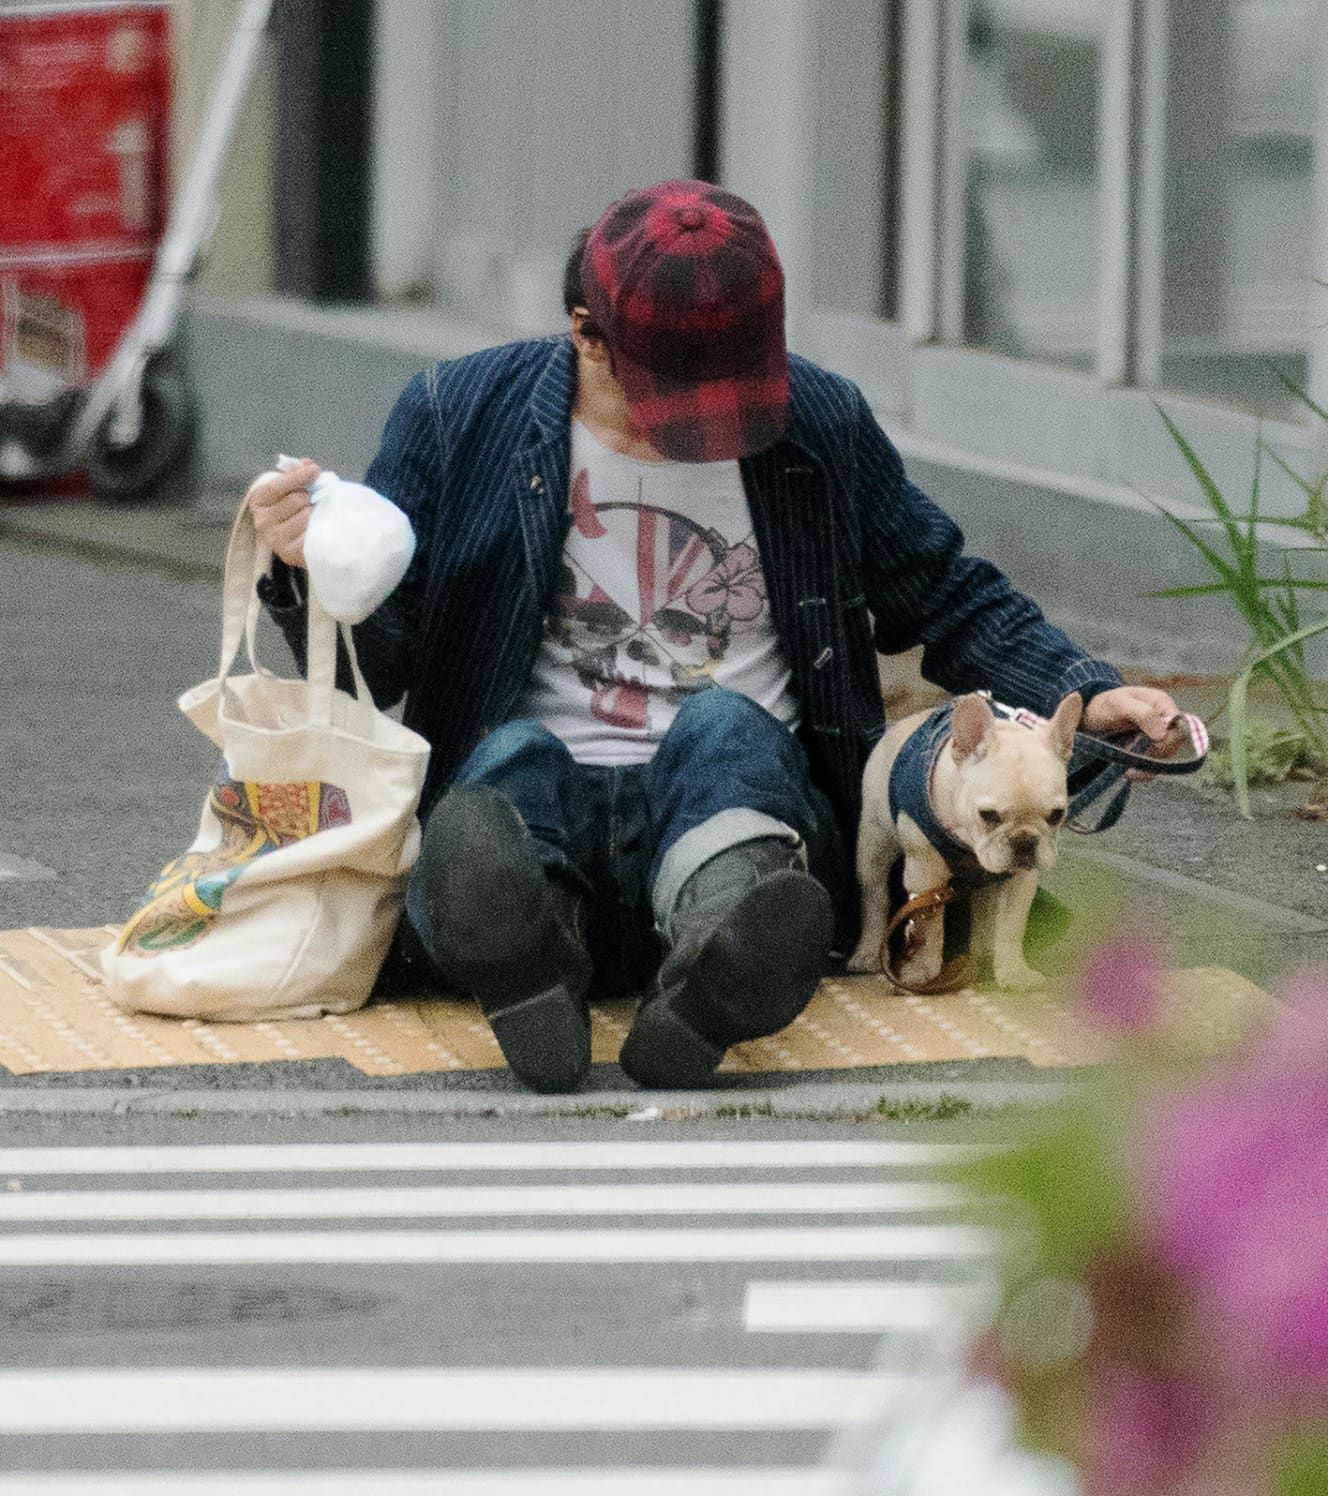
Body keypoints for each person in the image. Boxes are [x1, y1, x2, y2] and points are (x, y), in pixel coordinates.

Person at [247, 178, 1179, 1094]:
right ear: (587, 334)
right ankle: (529, 949)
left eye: (737, 402)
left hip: (743, 814)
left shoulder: (819, 422)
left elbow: (940, 590)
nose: (708, 436)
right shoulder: (460, 414)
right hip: (536, 813)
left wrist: (1085, 692)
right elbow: (383, 662)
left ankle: (727, 954)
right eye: (678, 410)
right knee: (509, 760)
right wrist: (303, 570)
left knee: (729, 730)